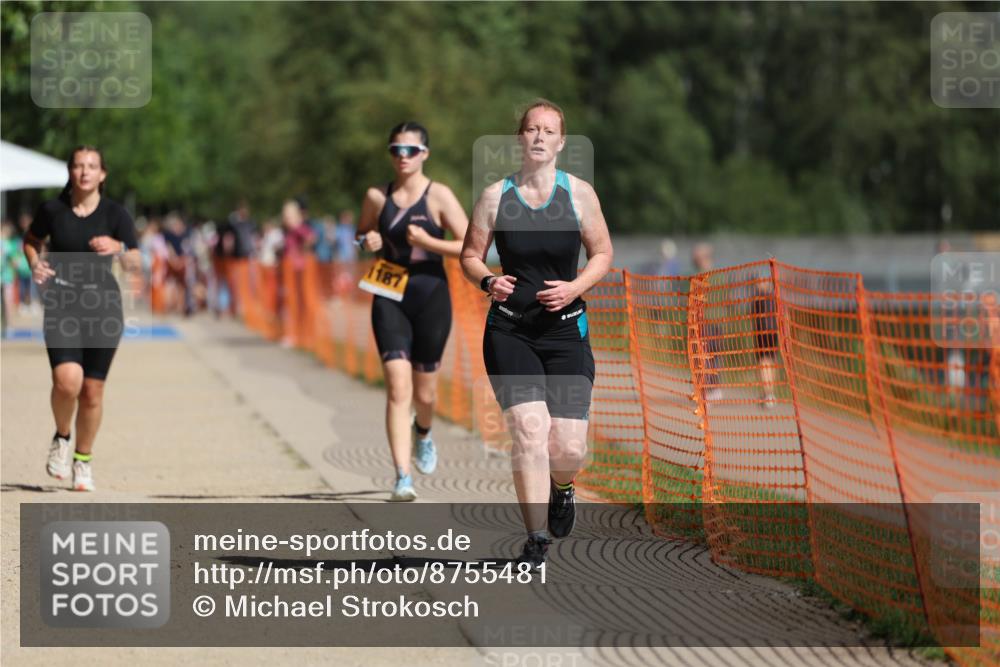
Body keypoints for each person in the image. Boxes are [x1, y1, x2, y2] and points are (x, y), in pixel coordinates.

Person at [460, 100, 613, 567]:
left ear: (562, 142)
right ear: (520, 138)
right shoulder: (494, 196)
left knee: (567, 446)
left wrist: (573, 288)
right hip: (511, 332)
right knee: (529, 431)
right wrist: (488, 279)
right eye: (532, 129)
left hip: (566, 333)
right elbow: (469, 255)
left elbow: (603, 254)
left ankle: (563, 488)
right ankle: (535, 538)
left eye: (549, 130)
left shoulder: (580, 194)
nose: (540, 136)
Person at [356, 121, 469, 501]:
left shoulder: (439, 196)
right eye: (395, 150)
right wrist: (367, 239)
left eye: (410, 151)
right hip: (389, 289)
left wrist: (430, 242)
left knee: (426, 392)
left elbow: (471, 244)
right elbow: (362, 233)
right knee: (397, 387)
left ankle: (424, 433)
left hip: (431, 293)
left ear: (425, 154)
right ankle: (402, 476)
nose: (402, 157)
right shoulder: (376, 196)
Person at [22, 145, 140, 491]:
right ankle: (62, 436)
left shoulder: (116, 215)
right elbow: (31, 240)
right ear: (70, 172)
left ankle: (83, 460)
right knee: (66, 382)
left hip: (103, 306)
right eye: (78, 166)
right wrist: (34, 262)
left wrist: (119, 249)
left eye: (92, 166)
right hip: (62, 302)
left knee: (91, 391)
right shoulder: (52, 210)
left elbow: (135, 262)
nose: (85, 172)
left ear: (103, 174)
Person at [691, 242, 723, 401]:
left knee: (709, 356)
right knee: (709, 356)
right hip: (708, 322)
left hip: (711, 322)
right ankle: (712, 388)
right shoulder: (702, 276)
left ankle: (711, 389)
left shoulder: (710, 277)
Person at [752, 276, 779, 409]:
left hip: (765, 333)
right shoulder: (775, 296)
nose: (757, 285)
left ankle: (768, 393)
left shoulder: (761, 298)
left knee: (764, 362)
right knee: (770, 362)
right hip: (772, 333)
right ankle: (769, 393)